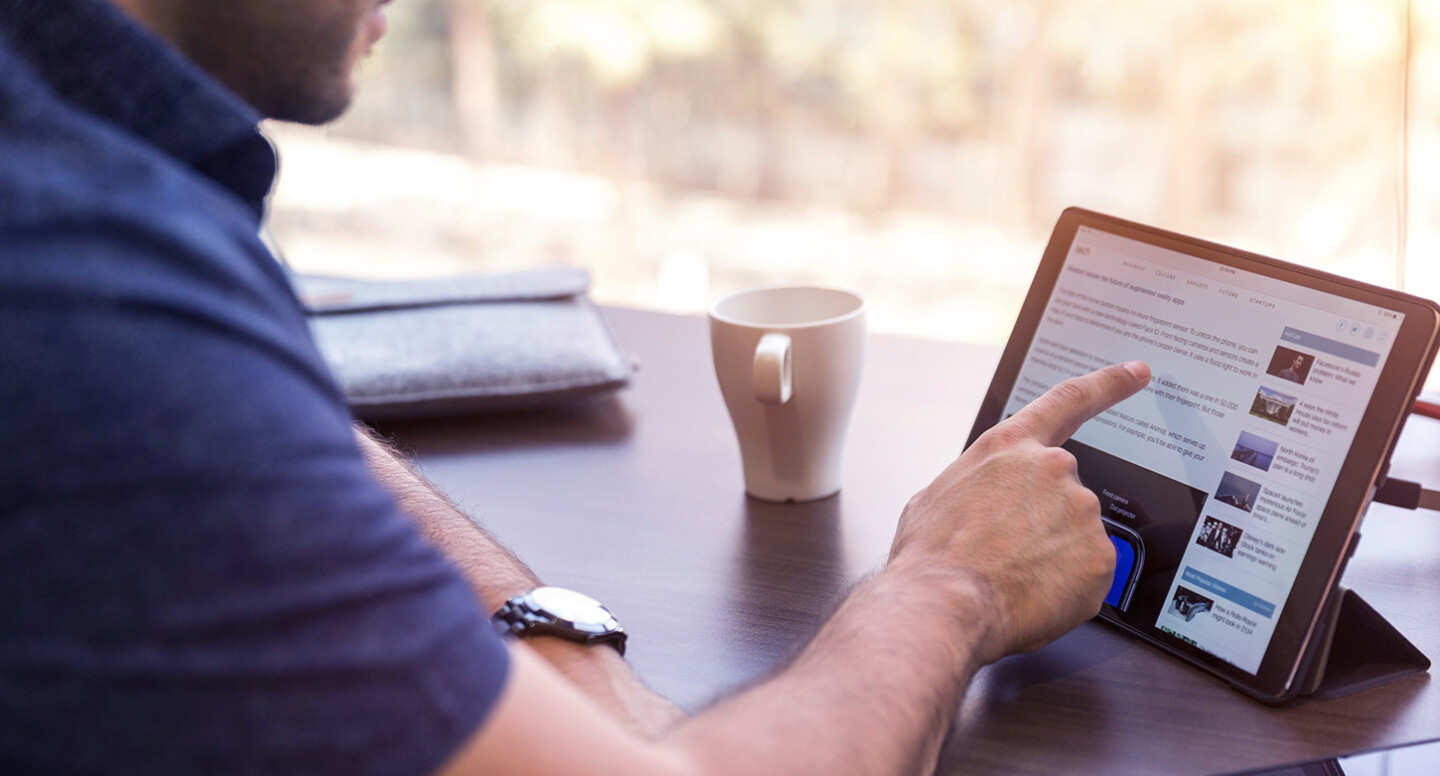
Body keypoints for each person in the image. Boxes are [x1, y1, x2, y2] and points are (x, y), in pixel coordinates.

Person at [0, 0, 1152, 773]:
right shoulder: (75, 282)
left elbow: (256, 425)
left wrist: (558, 646)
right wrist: (950, 584)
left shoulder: (80, 173)